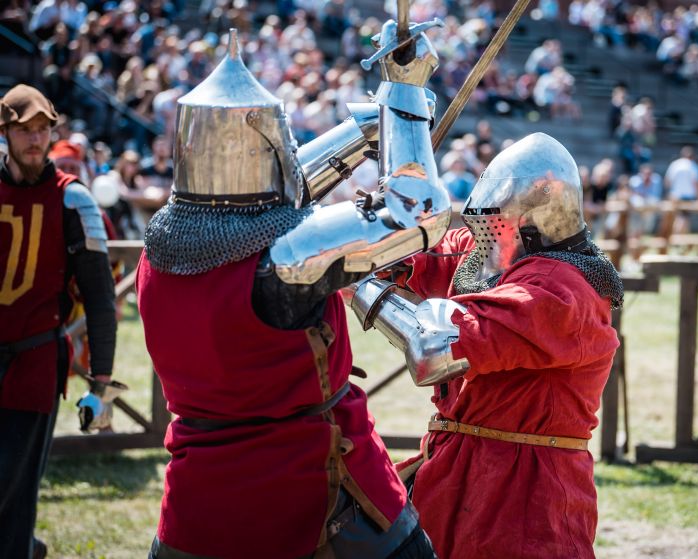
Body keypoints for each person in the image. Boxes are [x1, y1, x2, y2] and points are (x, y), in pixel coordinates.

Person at [136, 26, 445, 559]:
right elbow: (415, 212)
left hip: (200, 500)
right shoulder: (282, 257)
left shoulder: (161, 248)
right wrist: (405, 92)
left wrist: (368, 127)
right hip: (315, 487)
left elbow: (271, 192)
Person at [347, 133, 624, 559]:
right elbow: (422, 253)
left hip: (528, 492)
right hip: (457, 472)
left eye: (492, 222)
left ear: (532, 217)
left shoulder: (560, 291)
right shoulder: (493, 257)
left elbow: (436, 351)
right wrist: (388, 230)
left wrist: (359, 286)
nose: (482, 237)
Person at [0, 84, 117, 559]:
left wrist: (102, 381)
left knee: (14, 488)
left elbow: (101, 299)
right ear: (5, 133)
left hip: (34, 364)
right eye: (24, 130)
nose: (34, 140)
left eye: (42, 130)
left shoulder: (73, 201)